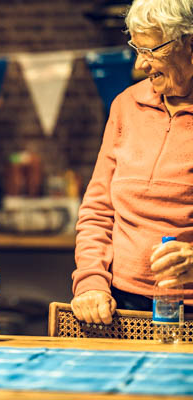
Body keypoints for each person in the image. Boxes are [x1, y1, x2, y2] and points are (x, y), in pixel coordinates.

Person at [71, 0, 193, 325]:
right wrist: (91, 283)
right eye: (137, 49)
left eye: (151, 50)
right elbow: (98, 211)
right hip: (120, 306)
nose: (140, 64)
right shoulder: (126, 105)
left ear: (190, 45)